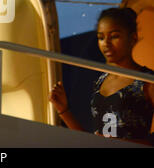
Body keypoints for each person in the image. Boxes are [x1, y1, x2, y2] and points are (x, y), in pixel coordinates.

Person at [49, 8, 154, 145]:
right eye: (101, 37)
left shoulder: (147, 81)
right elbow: (92, 141)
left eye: (115, 36)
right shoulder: (101, 81)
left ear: (133, 38)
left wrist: (123, 142)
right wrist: (63, 110)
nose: (106, 43)